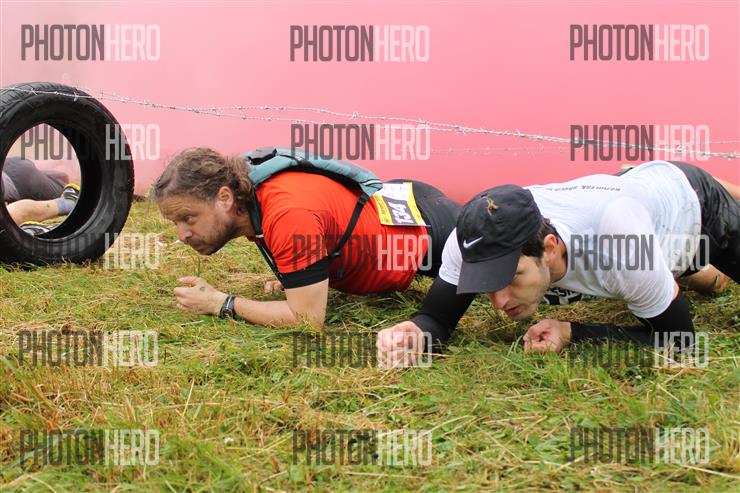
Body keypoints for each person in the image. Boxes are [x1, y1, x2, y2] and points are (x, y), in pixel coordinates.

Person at [377, 160, 739, 364]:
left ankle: (691, 269)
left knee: (711, 282)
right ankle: (677, 278)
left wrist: (574, 332)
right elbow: (437, 318)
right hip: (625, 198)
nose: (499, 301)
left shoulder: (621, 244)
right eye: (487, 280)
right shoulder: (472, 237)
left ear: (549, 248)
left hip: (692, 205)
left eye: (511, 277)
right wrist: (415, 333)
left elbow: (679, 342)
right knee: (649, 280)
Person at [151, 147, 460, 328]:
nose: (182, 235)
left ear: (225, 197)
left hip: (433, 231)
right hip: (402, 200)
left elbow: (307, 319)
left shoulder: (287, 214)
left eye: (188, 218)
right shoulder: (251, 189)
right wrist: (299, 275)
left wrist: (221, 303)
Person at [2, 156, 80, 230]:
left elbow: (17, 213)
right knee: (57, 177)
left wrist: (65, 203)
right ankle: (59, 164)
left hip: (23, 181)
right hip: (10, 165)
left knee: (74, 188)